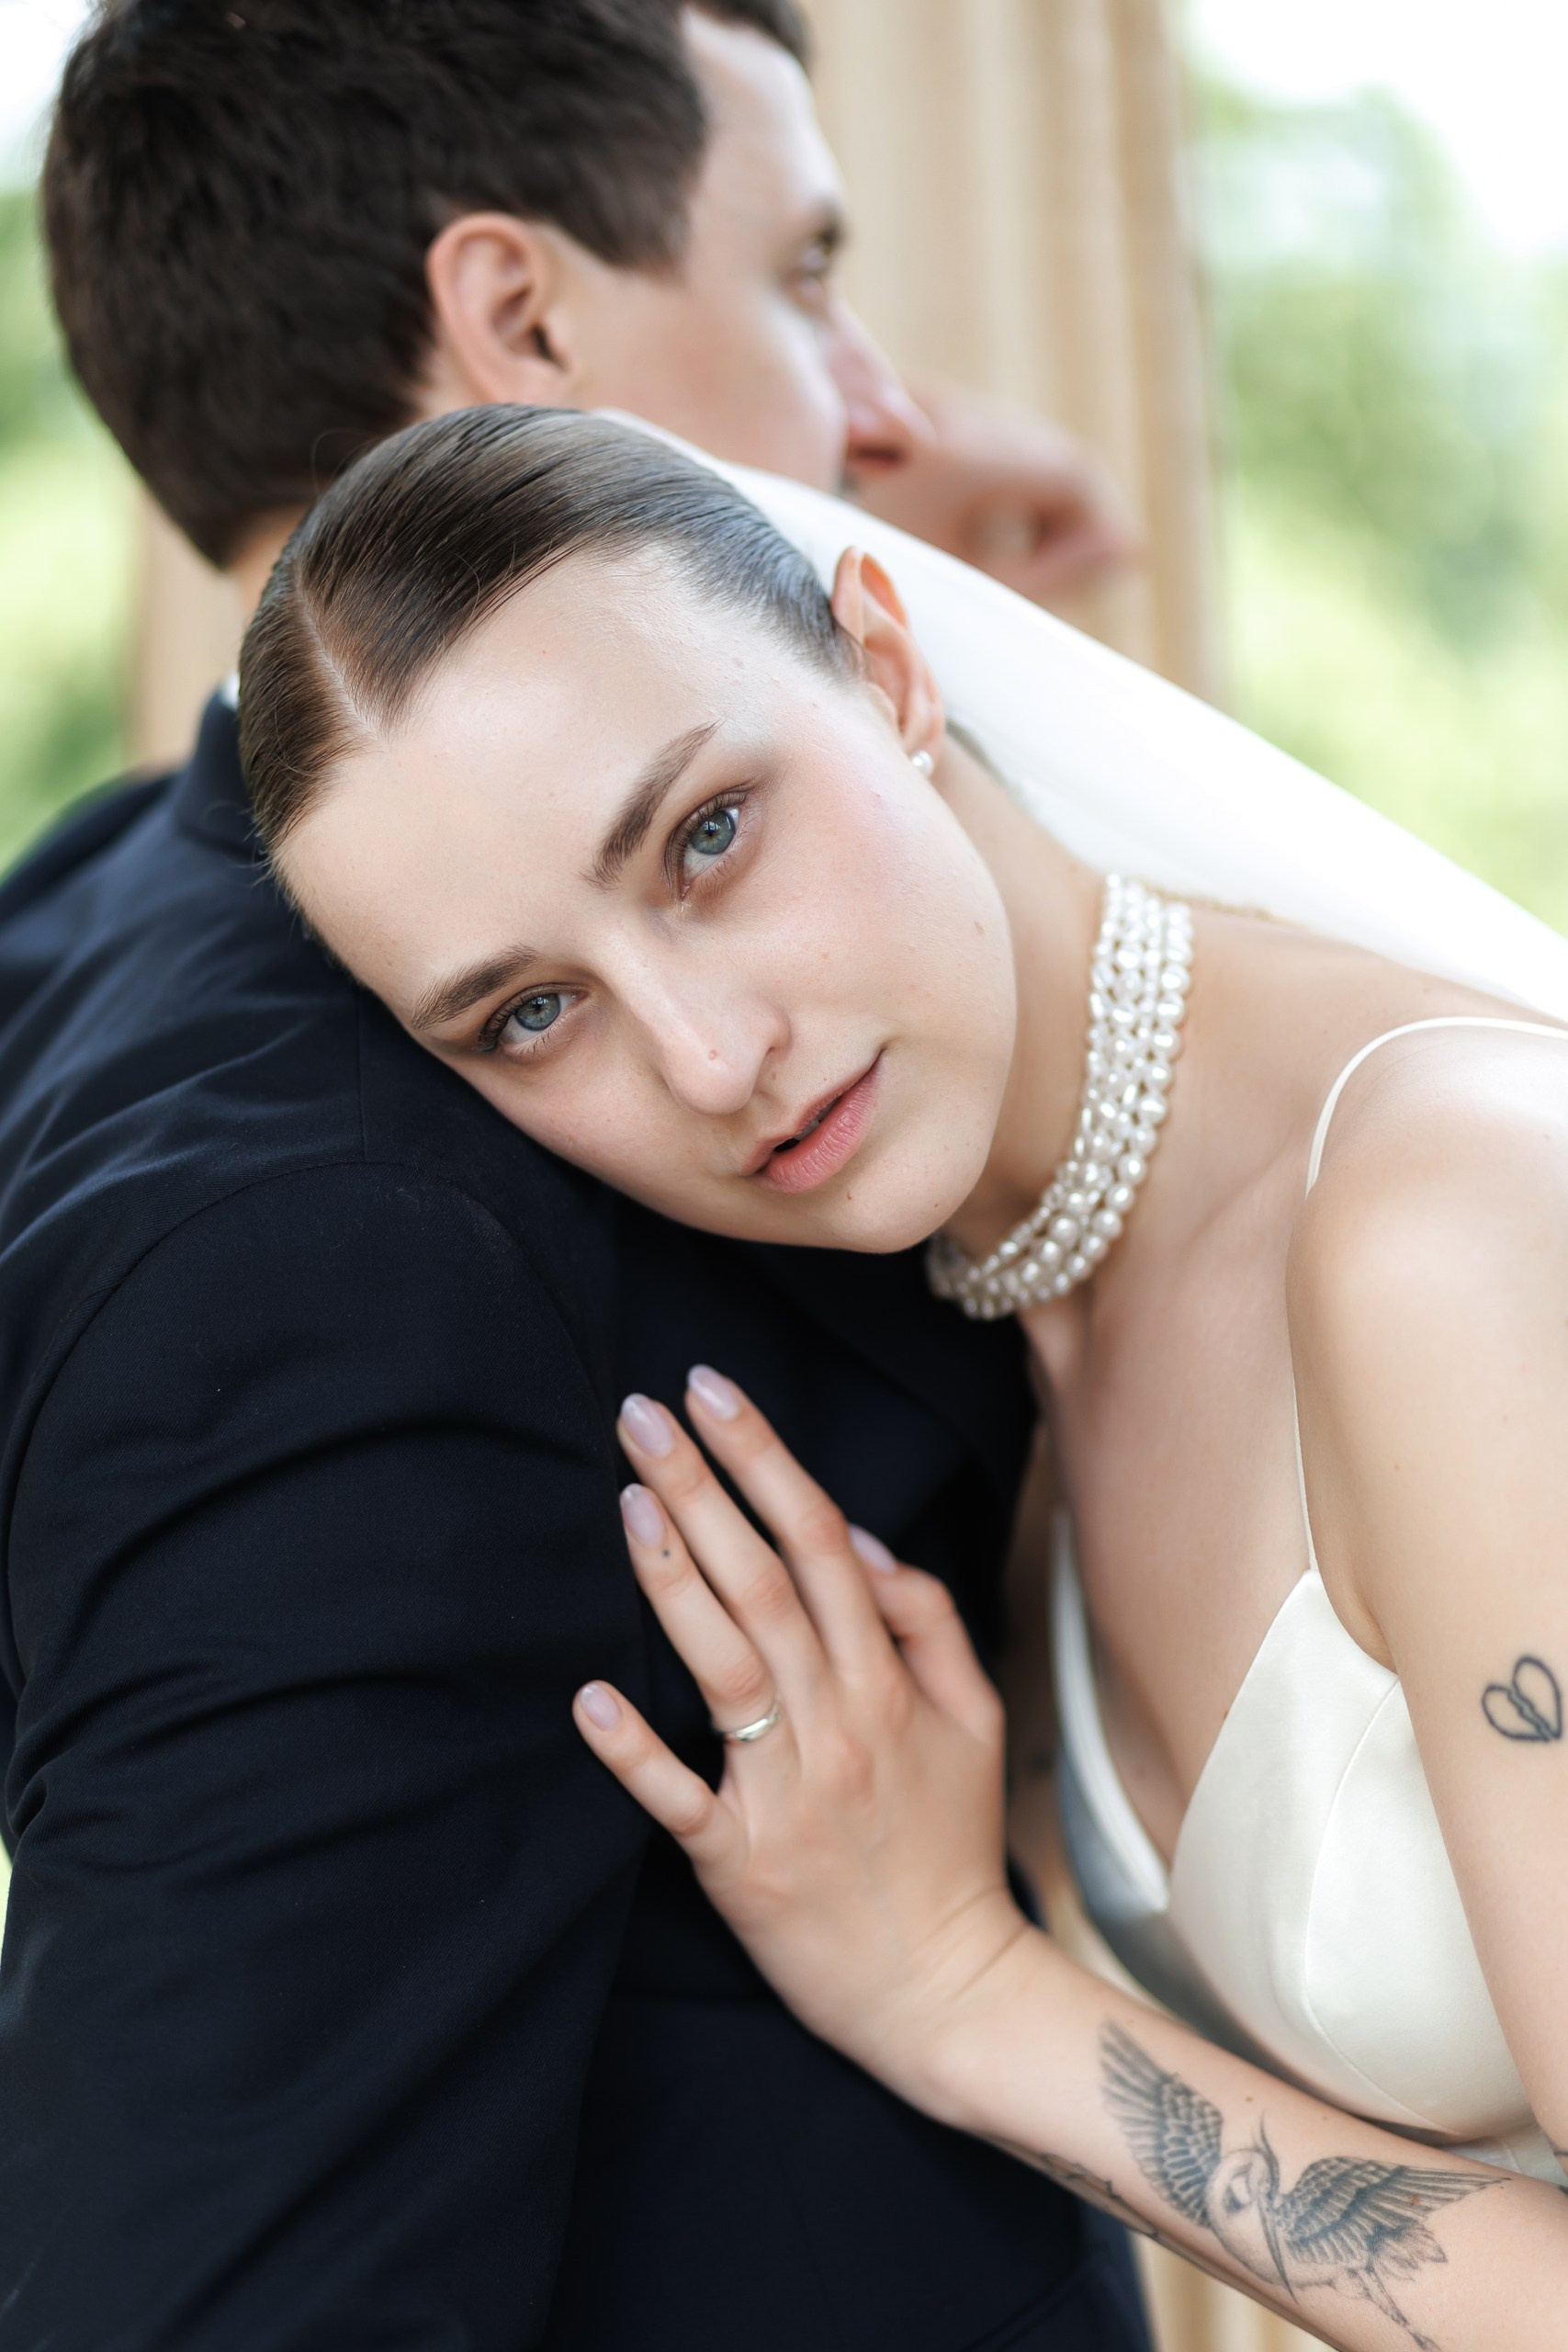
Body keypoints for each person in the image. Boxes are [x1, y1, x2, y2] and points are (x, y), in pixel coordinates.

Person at [0, 5, 1154, 2346]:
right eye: (804, 272)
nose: (882, 403)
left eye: (711, 834)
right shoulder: (320, 1255)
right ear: (521, 319)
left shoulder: (95, 896)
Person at [242, 401, 1568, 2350]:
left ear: (883, 659)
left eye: (706, 834)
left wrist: (966, 1995)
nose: (707, 1056)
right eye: (532, 1012)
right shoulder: (1007, 1334)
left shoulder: (1440, 1231)